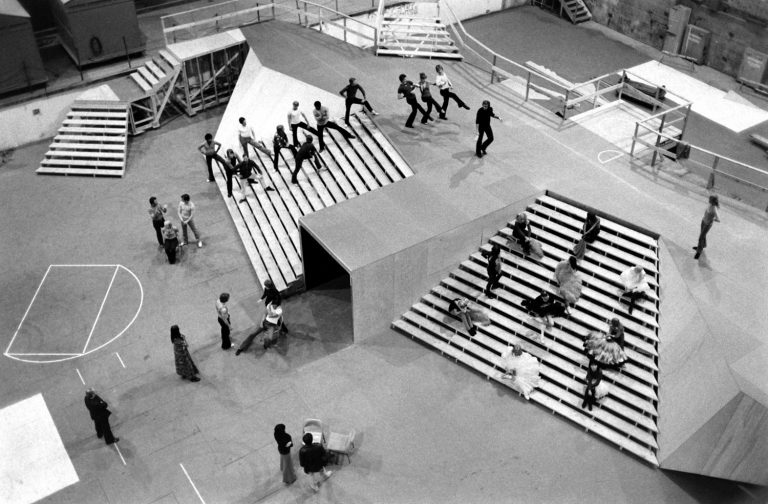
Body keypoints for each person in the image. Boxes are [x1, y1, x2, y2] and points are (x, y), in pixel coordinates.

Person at [694, 194, 720, 260]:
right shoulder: (710, 204)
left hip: (707, 224)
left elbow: (718, 219)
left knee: (701, 238)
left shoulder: (714, 209)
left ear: (713, 201)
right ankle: (703, 245)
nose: (708, 200)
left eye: (710, 199)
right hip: (703, 221)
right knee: (703, 235)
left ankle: (698, 252)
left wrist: (712, 219)